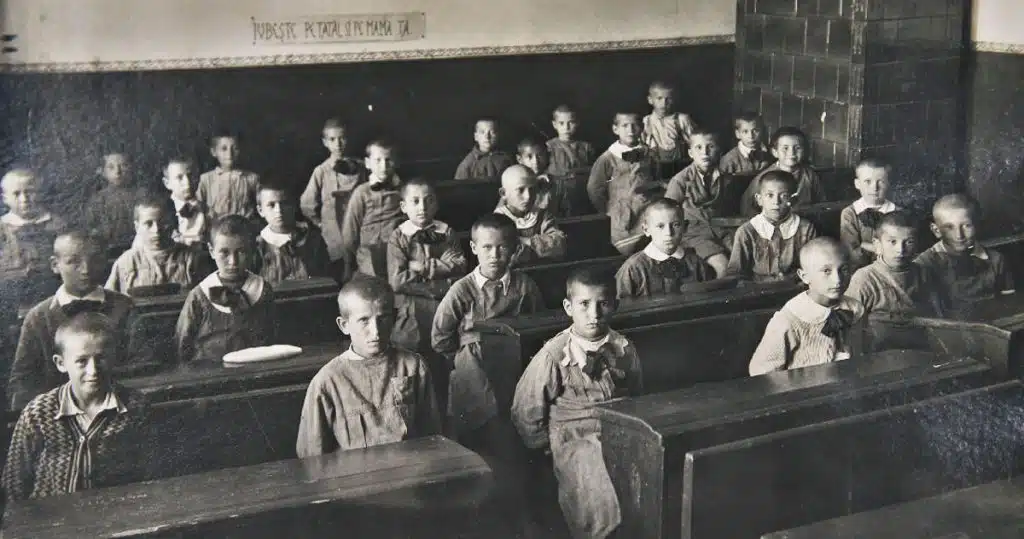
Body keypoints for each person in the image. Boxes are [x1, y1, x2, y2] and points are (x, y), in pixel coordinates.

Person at [512, 268, 642, 539]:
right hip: (573, 437)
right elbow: (526, 408)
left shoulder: (624, 347)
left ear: (615, 305)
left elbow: (637, 391)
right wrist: (545, 445)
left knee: (642, 474)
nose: (594, 314)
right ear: (568, 307)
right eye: (584, 304)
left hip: (619, 429)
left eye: (603, 303)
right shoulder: (554, 355)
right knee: (596, 480)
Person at [3, 313, 151, 501]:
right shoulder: (38, 413)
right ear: (61, 363)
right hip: (50, 514)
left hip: (114, 510)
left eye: (101, 358)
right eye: (82, 361)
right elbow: (13, 484)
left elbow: (148, 473)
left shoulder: (135, 406)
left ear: (114, 358)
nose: (93, 370)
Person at [296, 276, 441, 457]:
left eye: (383, 318)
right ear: (344, 325)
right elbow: (311, 455)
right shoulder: (327, 381)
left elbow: (432, 438)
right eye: (364, 321)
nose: (376, 332)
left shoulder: (413, 366)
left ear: (394, 318)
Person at [431, 214, 544, 439]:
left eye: (502, 247)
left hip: (513, 363)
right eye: (487, 247)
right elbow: (440, 337)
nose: (494, 255)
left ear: (514, 249)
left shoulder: (524, 286)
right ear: (474, 248)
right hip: (474, 366)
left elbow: (538, 323)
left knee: (511, 426)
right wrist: (464, 356)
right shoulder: (462, 290)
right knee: (478, 429)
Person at [8, 232, 135, 410]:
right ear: (55, 265)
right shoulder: (38, 317)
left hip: (117, 407)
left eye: (94, 260)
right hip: (56, 412)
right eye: (74, 261)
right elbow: (23, 381)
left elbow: (141, 367)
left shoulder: (125, 307)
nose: (86, 269)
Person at [748, 238, 865, 375]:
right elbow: (762, 371)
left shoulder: (855, 308)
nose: (837, 280)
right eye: (826, 271)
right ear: (804, 276)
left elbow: (861, 352)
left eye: (843, 269)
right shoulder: (789, 319)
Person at [174, 215, 276, 363]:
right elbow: (182, 342)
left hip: (255, 366)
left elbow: (272, 336)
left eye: (241, 252)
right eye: (224, 253)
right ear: (211, 251)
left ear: (252, 251)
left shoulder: (262, 289)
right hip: (208, 368)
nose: (233, 262)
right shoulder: (200, 294)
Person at [387, 177, 467, 353]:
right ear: (404, 207)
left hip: (445, 299)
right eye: (415, 201)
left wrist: (421, 268)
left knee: (451, 340)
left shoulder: (446, 232)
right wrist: (442, 267)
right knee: (410, 343)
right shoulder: (399, 237)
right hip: (412, 303)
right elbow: (398, 281)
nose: (422, 207)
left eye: (429, 201)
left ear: (436, 204)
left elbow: (460, 267)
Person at [915, 194, 1015, 309]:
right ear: (936, 230)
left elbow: (1010, 302)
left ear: (977, 225)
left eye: (967, 226)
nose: (959, 235)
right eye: (949, 227)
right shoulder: (924, 264)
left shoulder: (996, 260)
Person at [846, 211, 946, 320]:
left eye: (909, 242)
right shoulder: (864, 279)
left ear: (917, 245)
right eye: (892, 241)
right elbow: (848, 322)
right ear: (877, 245)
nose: (900, 250)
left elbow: (938, 315)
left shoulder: (923, 273)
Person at [587, 112, 663, 255]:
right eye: (625, 126)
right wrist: (607, 209)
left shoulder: (650, 154)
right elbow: (594, 188)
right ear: (615, 129)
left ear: (642, 128)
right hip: (623, 213)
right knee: (631, 249)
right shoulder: (608, 158)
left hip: (647, 207)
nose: (631, 130)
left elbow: (656, 177)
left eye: (635, 125)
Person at [300, 118, 365, 277]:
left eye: (342, 138)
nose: (338, 144)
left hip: (360, 229)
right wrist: (320, 223)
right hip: (333, 233)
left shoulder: (363, 167)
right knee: (337, 271)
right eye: (332, 139)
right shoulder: (321, 171)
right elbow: (307, 204)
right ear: (325, 142)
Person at [727, 170, 819, 282]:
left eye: (784, 196)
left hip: (796, 286)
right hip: (758, 289)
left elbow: (813, 267)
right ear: (759, 200)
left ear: (793, 200)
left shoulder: (805, 228)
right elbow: (736, 273)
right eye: (769, 195)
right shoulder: (747, 231)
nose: (776, 202)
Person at [664, 129, 731, 277]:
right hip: (693, 234)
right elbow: (667, 213)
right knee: (723, 266)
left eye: (710, 146)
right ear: (690, 153)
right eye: (698, 147)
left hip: (721, 230)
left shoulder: (725, 177)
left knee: (742, 256)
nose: (705, 152)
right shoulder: (680, 180)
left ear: (719, 151)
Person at [615, 199, 713, 299]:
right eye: (660, 226)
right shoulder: (633, 269)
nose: (668, 233)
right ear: (646, 230)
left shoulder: (697, 263)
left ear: (684, 227)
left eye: (676, 225)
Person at [105, 197, 204, 295]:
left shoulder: (192, 259)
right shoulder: (125, 263)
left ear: (173, 223)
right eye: (148, 224)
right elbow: (110, 300)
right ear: (137, 227)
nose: (156, 230)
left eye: (163, 223)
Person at [339, 140, 405, 280]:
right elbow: (350, 232)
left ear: (396, 162)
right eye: (378, 160)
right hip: (368, 252)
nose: (384, 166)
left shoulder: (404, 191)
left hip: (396, 250)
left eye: (388, 160)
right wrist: (348, 264)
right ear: (368, 163)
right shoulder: (361, 192)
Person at [0, 169, 66, 300]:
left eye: (29, 192)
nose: (24, 199)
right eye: (16, 194)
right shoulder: (2, 228)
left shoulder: (57, 225)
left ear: (40, 193)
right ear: (5, 198)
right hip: (11, 295)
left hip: (51, 292)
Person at [253, 181, 331, 284]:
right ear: (260, 211)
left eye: (284, 203)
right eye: (271, 205)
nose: (278, 210)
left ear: (294, 205)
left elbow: (325, 275)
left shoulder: (312, 239)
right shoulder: (258, 246)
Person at [739, 127, 825, 217]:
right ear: (775, 152)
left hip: (802, 220)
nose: (792, 153)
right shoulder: (765, 177)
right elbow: (747, 206)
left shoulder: (809, 175)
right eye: (785, 148)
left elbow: (821, 202)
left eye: (797, 148)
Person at [494, 165, 567, 267]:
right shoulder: (497, 221)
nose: (528, 196)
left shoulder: (542, 215)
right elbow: (509, 257)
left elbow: (559, 245)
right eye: (520, 190)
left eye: (532, 189)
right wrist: (543, 249)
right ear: (503, 193)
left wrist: (525, 241)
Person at [839, 159, 900, 268]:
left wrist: (864, 245)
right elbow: (851, 252)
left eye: (881, 181)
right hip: (859, 269)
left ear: (889, 183)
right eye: (867, 181)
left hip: (890, 268)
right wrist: (877, 248)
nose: (874, 188)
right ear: (857, 184)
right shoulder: (850, 214)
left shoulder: (898, 212)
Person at [84, 152, 148, 252]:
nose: (118, 171)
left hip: (141, 247)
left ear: (132, 168)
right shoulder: (98, 199)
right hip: (109, 250)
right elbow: (92, 228)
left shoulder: (143, 195)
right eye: (111, 167)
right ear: (103, 172)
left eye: (123, 165)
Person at [197, 131, 261, 222]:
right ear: (214, 152)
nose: (229, 154)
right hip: (215, 227)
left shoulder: (251, 178)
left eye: (235, 148)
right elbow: (198, 205)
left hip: (243, 226)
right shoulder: (206, 179)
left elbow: (261, 204)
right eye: (224, 149)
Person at [641, 81, 697, 180]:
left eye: (668, 99)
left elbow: (696, 142)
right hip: (656, 169)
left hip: (681, 166)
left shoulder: (682, 119)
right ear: (650, 100)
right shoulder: (646, 122)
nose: (664, 103)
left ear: (674, 99)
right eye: (659, 98)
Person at [161, 157, 208, 246]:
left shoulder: (207, 211)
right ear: (167, 183)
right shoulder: (163, 212)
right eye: (179, 178)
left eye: (190, 175)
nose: (187, 182)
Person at [545, 105, 595, 178]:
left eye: (571, 122)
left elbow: (594, 169)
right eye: (561, 123)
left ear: (577, 123)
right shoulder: (549, 146)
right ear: (554, 124)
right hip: (556, 183)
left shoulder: (586, 147)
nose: (566, 127)